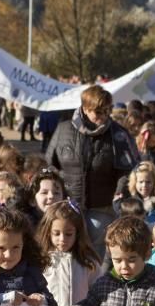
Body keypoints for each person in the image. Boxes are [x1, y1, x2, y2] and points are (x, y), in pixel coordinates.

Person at [45, 85, 139, 250]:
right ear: (85, 109)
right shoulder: (64, 129)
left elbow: (127, 170)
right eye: (98, 112)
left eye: (107, 111)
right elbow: (50, 164)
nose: (103, 117)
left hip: (101, 207)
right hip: (68, 206)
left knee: (96, 257)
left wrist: (118, 192)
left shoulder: (118, 134)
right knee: (66, 253)